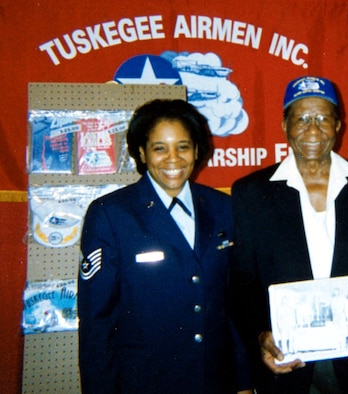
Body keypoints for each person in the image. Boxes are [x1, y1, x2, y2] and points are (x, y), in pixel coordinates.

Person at [228, 76, 348, 393]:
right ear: (284, 125)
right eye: (302, 119)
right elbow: (242, 282)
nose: (313, 131)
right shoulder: (251, 194)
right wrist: (260, 335)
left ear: (338, 125)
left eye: (323, 119)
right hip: (287, 363)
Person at [77, 99, 252, 393]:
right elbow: (98, 324)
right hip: (145, 382)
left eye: (183, 146)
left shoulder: (223, 208)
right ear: (142, 153)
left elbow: (231, 307)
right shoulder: (111, 214)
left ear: (197, 150)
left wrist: (243, 380)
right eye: (160, 148)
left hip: (215, 380)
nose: (174, 158)